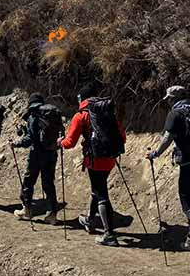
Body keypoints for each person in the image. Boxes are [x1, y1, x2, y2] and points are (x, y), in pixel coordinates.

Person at [146, 86, 190, 256]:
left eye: (169, 99)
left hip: (187, 163)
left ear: (174, 99)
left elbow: (168, 137)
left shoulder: (176, 113)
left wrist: (155, 153)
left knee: (186, 203)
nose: (168, 102)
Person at [61, 80, 126, 247]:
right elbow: (122, 136)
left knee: (101, 192)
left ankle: (109, 234)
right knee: (97, 188)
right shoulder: (108, 111)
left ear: (81, 98)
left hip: (94, 160)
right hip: (110, 158)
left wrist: (60, 141)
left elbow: (70, 143)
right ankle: (90, 220)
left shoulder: (81, 115)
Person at [11, 93, 63, 223]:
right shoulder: (51, 114)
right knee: (48, 183)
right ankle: (52, 214)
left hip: (37, 154)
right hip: (51, 152)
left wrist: (17, 143)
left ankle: (27, 210)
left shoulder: (33, 115)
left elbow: (30, 139)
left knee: (28, 181)